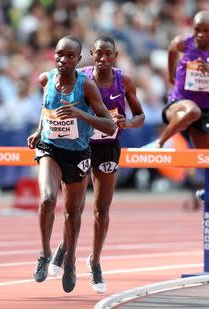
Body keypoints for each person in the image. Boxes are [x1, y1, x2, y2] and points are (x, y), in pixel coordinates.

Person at [47, 36, 145, 293]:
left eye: (108, 54)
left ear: (115, 56)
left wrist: (129, 123)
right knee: (74, 208)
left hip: (108, 148)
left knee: (102, 209)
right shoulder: (80, 77)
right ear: (90, 54)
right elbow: (50, 101)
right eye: (98, 53)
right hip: (81, 145)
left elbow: (140, 115)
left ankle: (95, 261)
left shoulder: (124, 81)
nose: (102, 59)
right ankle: (65, 248)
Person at [27, 35, 116, 293]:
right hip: (50, 149)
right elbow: (48, 110)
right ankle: (44, 253)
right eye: (59, 54)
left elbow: (109, 124)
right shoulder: (46, 79)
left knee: (73, 213)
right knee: (46, 199)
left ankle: (71, 260)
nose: (63, 60)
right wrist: (39, 129)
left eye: (69, 56)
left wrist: (79, 113)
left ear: (78, 60)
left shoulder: (86, 86)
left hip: (77, 154)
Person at [152, 10, 209, 220]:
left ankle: (207, 196)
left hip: (203, 111)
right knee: (190, 110)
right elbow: (171, 49)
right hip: (178, 104)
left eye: (205, 31)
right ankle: (159, 142)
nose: (200, 35)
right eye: (196, 30)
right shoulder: (183, 43)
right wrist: (170, 74)